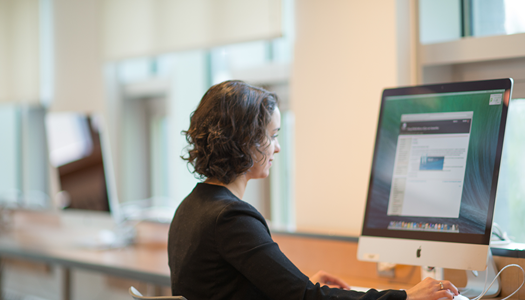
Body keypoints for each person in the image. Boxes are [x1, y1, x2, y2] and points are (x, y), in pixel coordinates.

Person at [168, 80, 459, 300]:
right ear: (246, 142)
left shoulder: (192, 206)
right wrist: (406, 297)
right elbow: (307, 299)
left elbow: (228, 289)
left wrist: (294, 283)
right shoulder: (230, 218)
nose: (277, 147)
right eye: (272, 136)